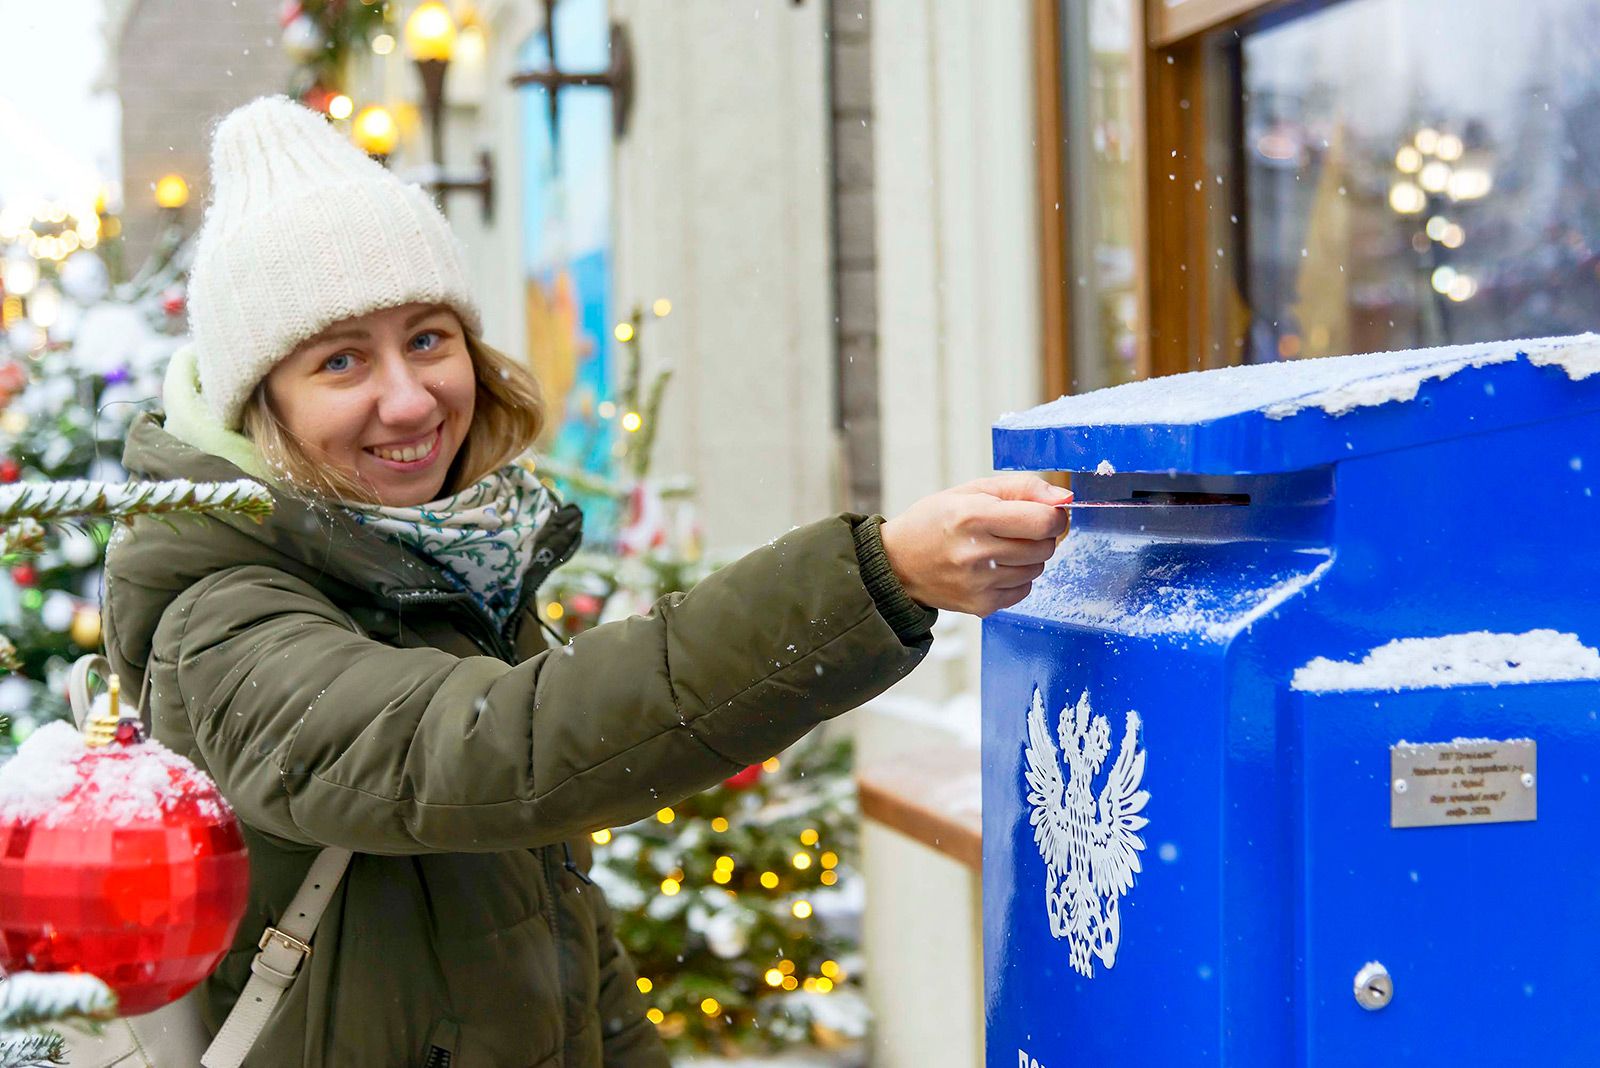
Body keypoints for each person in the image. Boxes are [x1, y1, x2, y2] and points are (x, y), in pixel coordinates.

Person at [102, 97, 1068, 1067]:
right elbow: (498, 750)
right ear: (257, 402)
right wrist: (877, 576)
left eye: (429, 337)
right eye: (341, 359)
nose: (407, 398)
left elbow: (557, 938)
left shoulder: (435, 564)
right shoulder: (217, 613)